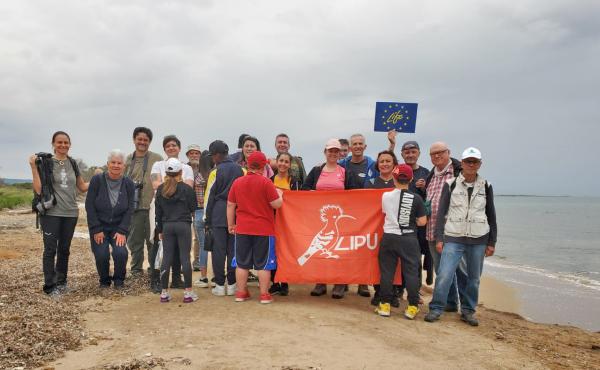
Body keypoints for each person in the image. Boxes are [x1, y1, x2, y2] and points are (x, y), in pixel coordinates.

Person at [425, 147, 497, 326]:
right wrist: (440, 238)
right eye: (468, 161)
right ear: (462, 163)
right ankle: (436, 308)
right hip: (453, 237)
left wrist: (492, 242)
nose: (471, 165)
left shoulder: (486, 186)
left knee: (473, 278)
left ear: (480, 164)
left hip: (478, 239)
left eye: (475, 162)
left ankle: (468, 311)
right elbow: (442, 212)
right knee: (444, 274)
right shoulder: (451, 184)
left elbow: (491, 215)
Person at [29, 131, 88, 295]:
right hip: (51, 213)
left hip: (71, 212)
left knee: (64, 249)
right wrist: (34, 167)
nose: (63, 145)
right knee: (50, 250)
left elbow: (82, 187)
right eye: (59, 142)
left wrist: (100, 177)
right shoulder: (46, 163)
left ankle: (61, 282)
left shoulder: (73, 163)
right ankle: (50, 286)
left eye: (66, 142)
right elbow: (39, 189)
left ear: (70, 144)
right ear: (53, 144)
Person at [303, 138, 362, 299]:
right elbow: (304, 189)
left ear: (340, 153)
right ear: (325, 152)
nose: (333, 154)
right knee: (323, 250)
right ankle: (321, 282)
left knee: (339, 251)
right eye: (331, 151)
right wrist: (312, 194)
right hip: (319, 218)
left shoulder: (346, 172)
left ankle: (340, 283)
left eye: (336, 151)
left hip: (339, 220)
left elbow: (355, 193)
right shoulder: (316, 171)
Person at [227, 151, 283, 304]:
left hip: (243, 228)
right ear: (264, 166)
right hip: (264, 229)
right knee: (264, 264)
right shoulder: (266, 183)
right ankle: (264, 295)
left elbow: (231, 204)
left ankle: (240, 293)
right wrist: (280, 195)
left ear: (247, 164)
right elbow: (276, 204)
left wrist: (230, 224)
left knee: (241, 263)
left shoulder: (238, 182)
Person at [375, 164, 427, 319]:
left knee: (387, 272)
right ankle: (412, 307)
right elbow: (423, 221)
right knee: (411, 273)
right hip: (408, 238)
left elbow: (386, 212)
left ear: (393, 177)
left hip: (389, 237)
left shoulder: (385, 196)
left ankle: (384, 306)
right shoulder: (416, 198)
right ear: (411, 179)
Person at [424, 141, 467, 312]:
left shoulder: (459, 172)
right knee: (441, 269)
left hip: (454, 231)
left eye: (441, 152)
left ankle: (465, 306)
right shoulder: (431, 175)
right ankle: (450, 302)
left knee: (460, 270)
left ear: (448, 152)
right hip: (432, 230)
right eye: (433, 153)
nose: (437, 156)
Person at [85, 150, 135, 289]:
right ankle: (104, 281)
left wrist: (122, 230)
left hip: (118, 228)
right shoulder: (97, 180)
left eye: (119, 163)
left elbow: (130, 208)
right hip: (99, 226)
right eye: (113, 162)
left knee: (121, 252)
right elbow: (89, 205)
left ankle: (119, 280)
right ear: (108, 164)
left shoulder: (128, 183)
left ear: (124, 166)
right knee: (101, 254)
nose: (116, 165)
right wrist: (96, 228)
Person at [150, 135, 194, 289]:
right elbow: (155, 184)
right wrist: (174, 183)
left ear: (179, 148)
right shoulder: (157, 165)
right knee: (159, 246)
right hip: (160, 210)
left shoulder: (187, 167)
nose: (171, 147)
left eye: (174, 145)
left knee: (175, 249)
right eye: (168, 145)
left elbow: (188, 186)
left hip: (175, 213)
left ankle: (176, 279)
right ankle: (155, 280)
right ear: (164, 149)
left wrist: (167, 183)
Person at [155, 158, 199, 303]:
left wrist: (160, 230)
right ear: (181, 171)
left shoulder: (161, 189)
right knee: (185, 257)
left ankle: (164, 293)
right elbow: (193, 207)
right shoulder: (186, 189)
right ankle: (188, 293)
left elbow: (158, 213)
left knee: (166, 258)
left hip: (167, 226)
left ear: (166, 172)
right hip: (183, 225)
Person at [205, 140, 245, 296]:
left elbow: (209, 197)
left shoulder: (215, 171)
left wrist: (207, 220)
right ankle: (233, 284)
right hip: (237, 214)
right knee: (234, 250)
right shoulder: (242, 170)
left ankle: (220, 285)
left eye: (212, 156)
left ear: (216, 155)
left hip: (218, 214)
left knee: (219, 251)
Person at [124, 127, 163, 285]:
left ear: (149, 142)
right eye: (139, 139)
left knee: (152, 240)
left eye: (145, 140)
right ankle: (136, 270)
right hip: (134, 208)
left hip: (153, 207)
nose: (142, 142)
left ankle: (154, 269)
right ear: (134, 140)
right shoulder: (128, 159)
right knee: (135, 241)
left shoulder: (157, 158)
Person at [366, 150, 403, 306]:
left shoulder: (400, 182)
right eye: (382, 161)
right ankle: (379, 291)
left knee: (396, 261)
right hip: (375, 227)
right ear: (377, 164)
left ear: (394, 164)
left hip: (396, 228)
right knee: (377, 260)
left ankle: (393, 293)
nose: (385, 164)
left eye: (388, 161)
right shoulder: (371, 183)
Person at [268, 152, 303, 296]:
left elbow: (300, 202)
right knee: (273, 251)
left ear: (290, 164)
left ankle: (285, 282)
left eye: (286, 161)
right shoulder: (269, 181)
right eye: (281, 161)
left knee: (286, 251)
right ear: (276, 162)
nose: (283, 164)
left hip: (288, 222)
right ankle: (275, 282)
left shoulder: (295, 182)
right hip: (272, 220)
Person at [400, 140, 434, 286]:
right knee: (401, 257)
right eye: (407, 152)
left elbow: (432, 198)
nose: (410, 155)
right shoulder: (398, 170)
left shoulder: (426, 173)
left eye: (413, 152)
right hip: (400, 221)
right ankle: (400, 288)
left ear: (419, 153)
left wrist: (424, 188)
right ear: (402, 154)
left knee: (416, 257)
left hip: (419, 224)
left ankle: (417, 288)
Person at [186, 145, 212, 287]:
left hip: (198, 211)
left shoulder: (195, 176)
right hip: (213, 213)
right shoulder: (214, 175)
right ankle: (216, 278)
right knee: (216, 246)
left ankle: (203, 278)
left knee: (202, 245)